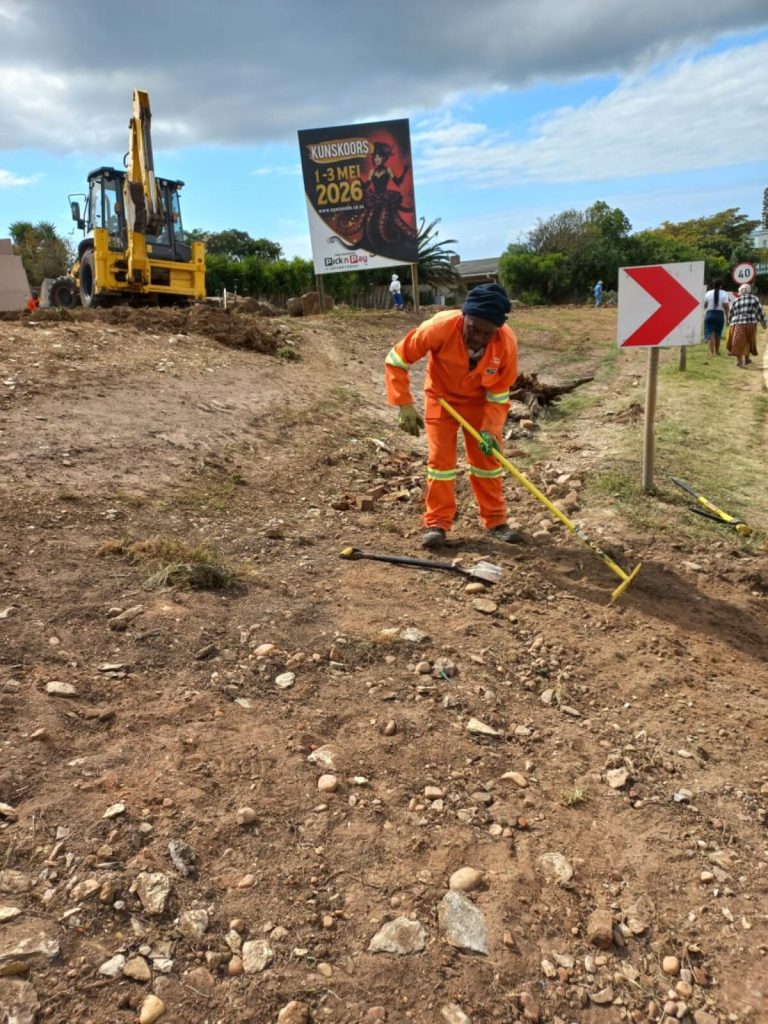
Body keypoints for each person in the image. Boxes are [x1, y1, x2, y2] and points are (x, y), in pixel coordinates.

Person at [385, 282, 521, 548]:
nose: (479, 338)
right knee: (441, 464)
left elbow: (499, 393)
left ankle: (496, 522)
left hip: (480, 404)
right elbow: (397, 358)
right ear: (464, 317)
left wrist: (490, 429)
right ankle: (437, 523)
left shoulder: (506, 344)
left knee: (488, 462)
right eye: (474, 329)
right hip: (442, 400)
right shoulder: (438, 328)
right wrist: (404, 404)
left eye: (487, 333)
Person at [726, 284, 766, 368]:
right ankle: (747, 359)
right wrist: (764, 323)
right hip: (750, 323)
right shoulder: (754, 299)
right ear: (749, 290)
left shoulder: (736, 300)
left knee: (738, 341)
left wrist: (729, 322)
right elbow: (760, 311)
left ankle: (739, 362)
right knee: (748, 341)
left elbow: (731, 313)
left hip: (737, 323)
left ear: (740, 291)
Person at [702, 279, 730, 355]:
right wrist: (727, 318)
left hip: (709, 314)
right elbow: (726, 306)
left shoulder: (708, 293)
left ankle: (712, 352)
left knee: (710, 333)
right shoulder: (724, 293)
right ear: (721, 285)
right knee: (718, 334)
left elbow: (705, 305)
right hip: (719, 314)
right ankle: (717, 351)